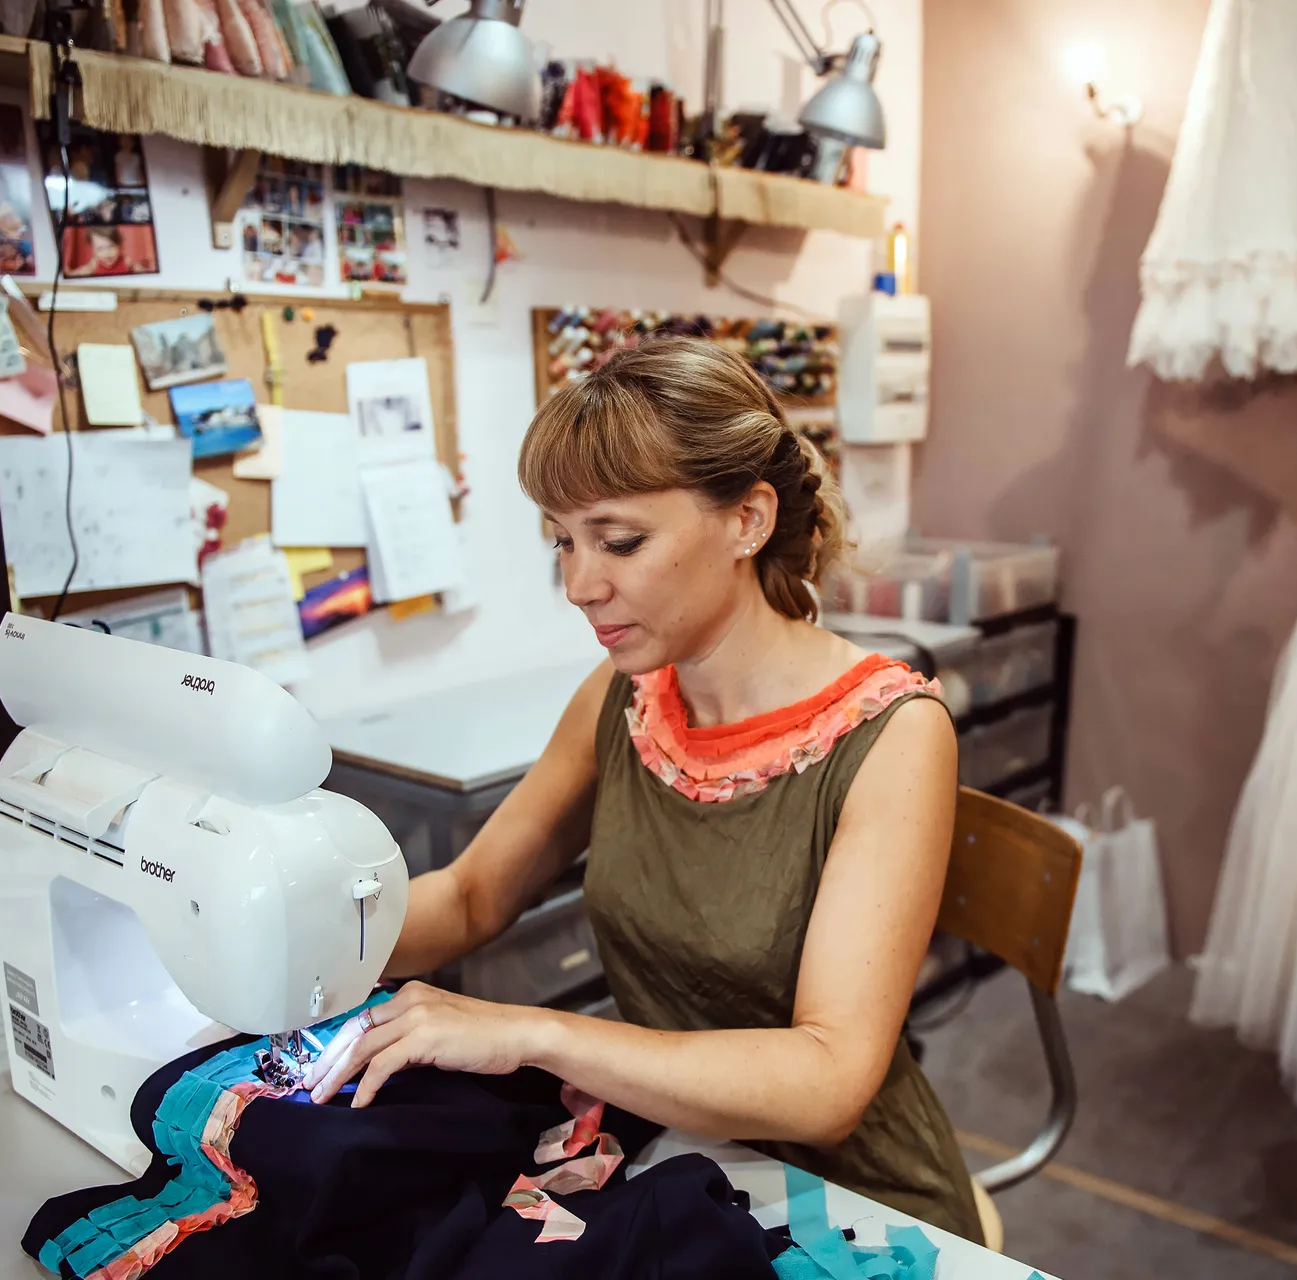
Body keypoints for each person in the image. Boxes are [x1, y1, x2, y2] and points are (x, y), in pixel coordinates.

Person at [302, 338, 981, 1241]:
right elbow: (471, 895)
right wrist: (297, 943)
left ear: (748, 520)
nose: (581, 585)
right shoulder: (627, 697)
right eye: (564, 542)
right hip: (683, 1151)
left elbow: (828, 1082)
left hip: (851, 1199)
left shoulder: (892, 734)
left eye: (619, 540)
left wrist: (532, 1032)